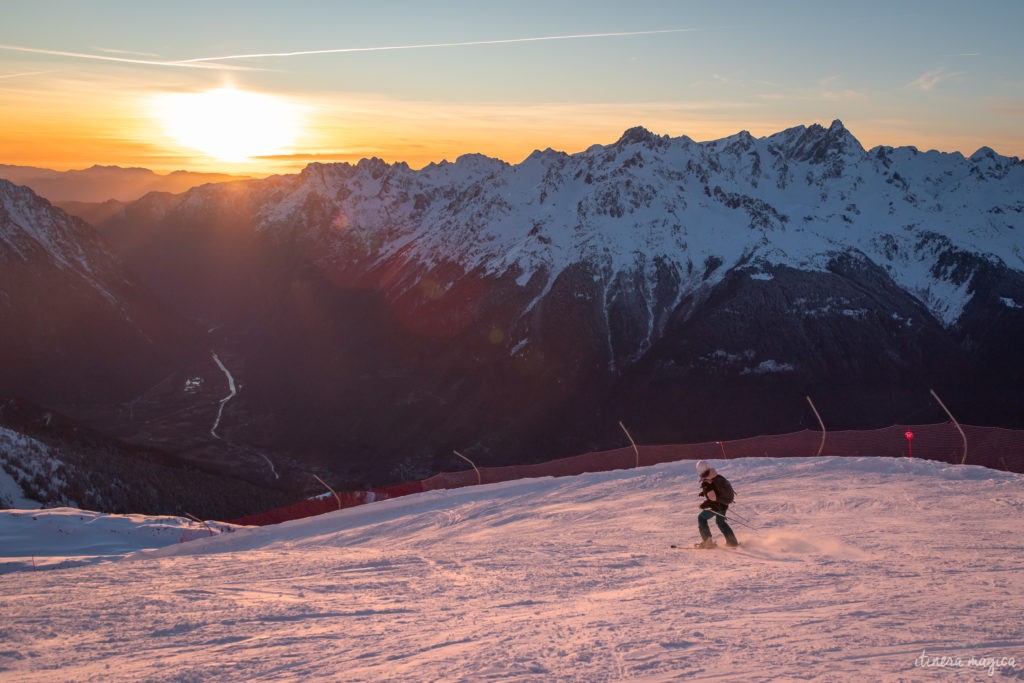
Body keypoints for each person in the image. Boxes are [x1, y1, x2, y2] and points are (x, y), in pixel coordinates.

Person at [695, 460, 739, 548]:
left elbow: (713, 498)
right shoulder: (716, 476)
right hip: (724, 504)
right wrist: (704, 493)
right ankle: (732, 542)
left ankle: (708, 542)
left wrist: (704, 504)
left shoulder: (707, 481)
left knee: (701, 518)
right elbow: (716, 490)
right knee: (720, 522)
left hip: (716, 506)